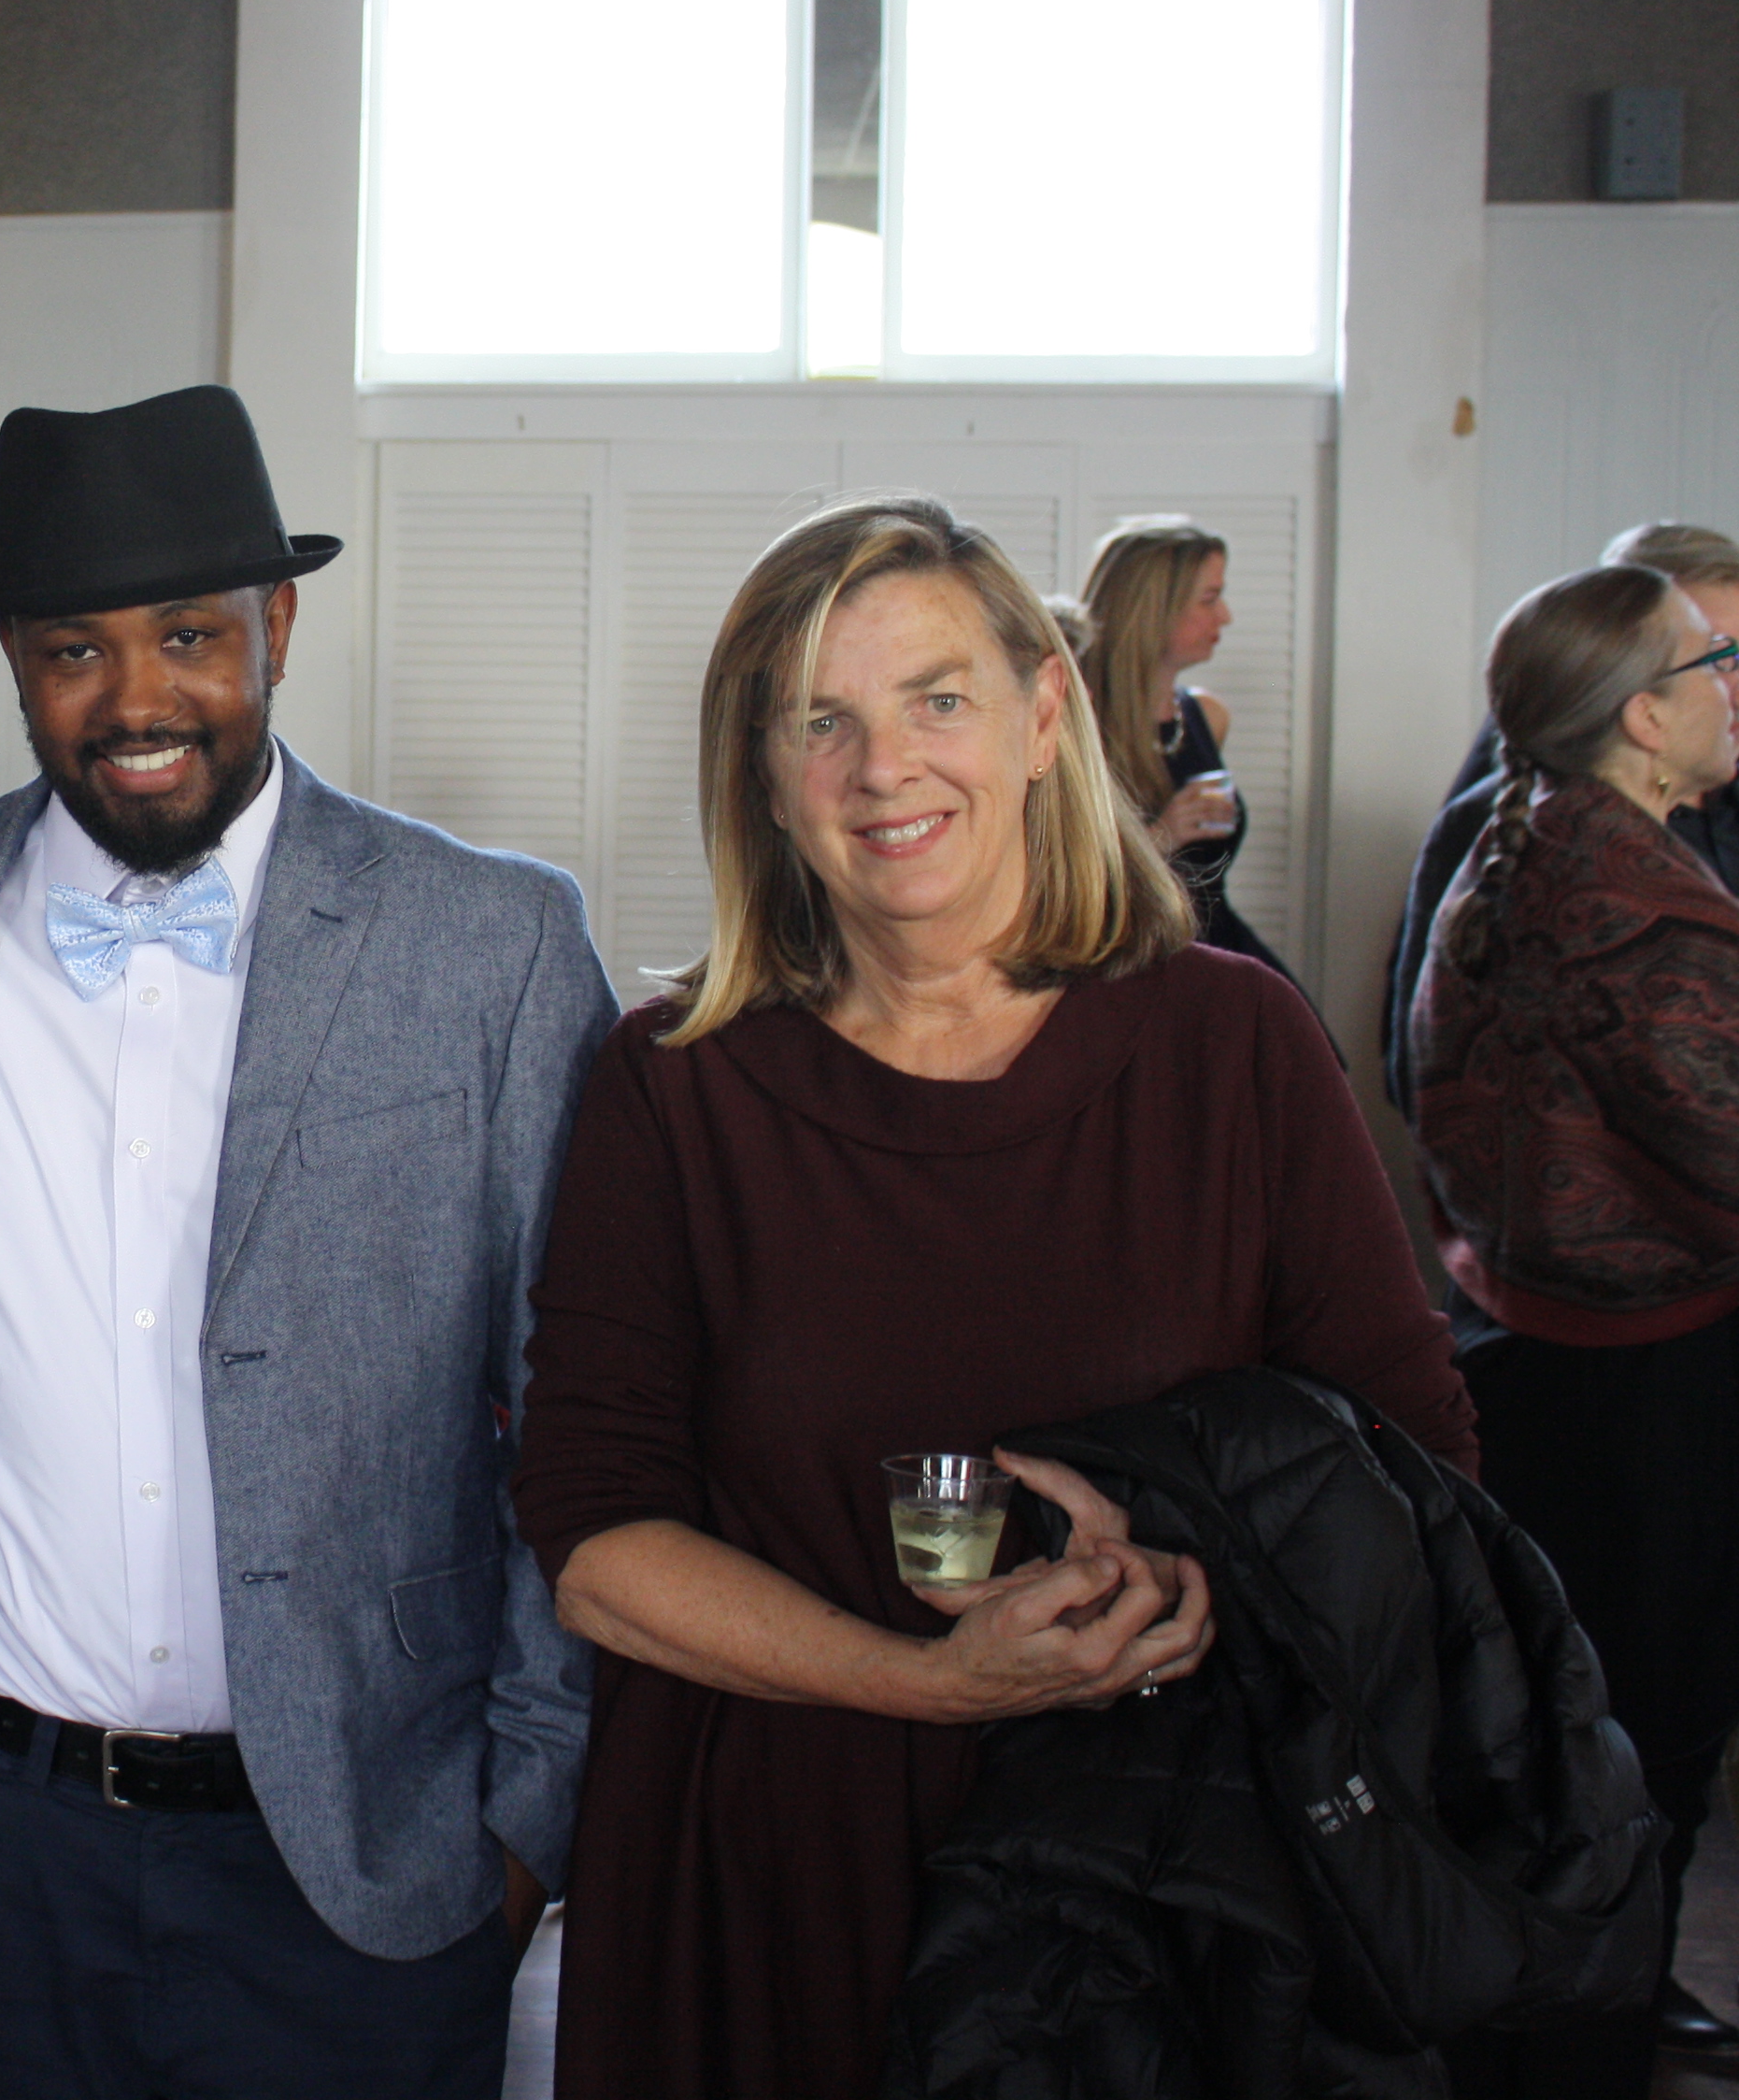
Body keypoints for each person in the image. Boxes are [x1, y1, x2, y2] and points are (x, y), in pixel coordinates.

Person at [510, 493, 1476, 2100]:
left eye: (932, 699)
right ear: (760, 771)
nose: (881, 768)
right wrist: (915, 1679)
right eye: (818, 720)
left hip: (1163, 1867)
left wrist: (1196, 1594)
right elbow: (593, 1538)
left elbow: (1415, 1463)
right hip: (769, 1874)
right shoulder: (675, 1085)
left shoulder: (1228, 1048)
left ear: (1043, 716)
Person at [0, 384, 610, 2100]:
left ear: (279, 626)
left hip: (370, 1857)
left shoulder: (490, 946)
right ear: (14, 659)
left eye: (188, 635)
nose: (138, 697)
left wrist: (525, 1813)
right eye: (76, 648)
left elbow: (582, 1399)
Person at [1410, 560, 1739, 2096]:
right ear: (1638, 715)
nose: (1730, 681)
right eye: (1710, 657)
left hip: (1517, 1355)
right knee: (1631, 1749)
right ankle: (1586, 2040)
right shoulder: (1642, 918)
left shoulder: (1516, 845)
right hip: (1636, 1391)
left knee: (1544, 1737)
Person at [1383, 521, 1739, 1117]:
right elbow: (1421, 1069)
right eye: (1717, 656)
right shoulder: (1514, 826)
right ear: (1634, 692)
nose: (1733, 690)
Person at [1076, 515, 1295, 985]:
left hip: (1213, 949)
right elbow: (1062, 880)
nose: (1226, 617)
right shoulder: (1075, 726)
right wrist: (1163, 835)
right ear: (1155, 608)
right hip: (1122, 966)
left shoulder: (1207, 717)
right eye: (1210, 599)